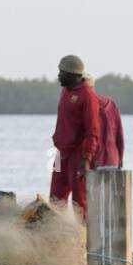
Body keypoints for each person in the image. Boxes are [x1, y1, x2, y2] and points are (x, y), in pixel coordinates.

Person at [51, 55, 101, 217]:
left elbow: (92, 130)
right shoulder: (65, 91)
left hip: (78, 155)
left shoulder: (87, 96)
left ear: (72, 74)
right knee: (56, 198)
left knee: (80, 202)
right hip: (60, 153)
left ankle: (84, 237)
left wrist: (86, 159)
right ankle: (57, 236)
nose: (58, 75)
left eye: (61, 72)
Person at [88, 74, 125, 168]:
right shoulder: (111, 104)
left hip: (93, 163)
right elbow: (120, 137)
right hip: (113, 160)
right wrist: (120, 159)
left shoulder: (85, 105)